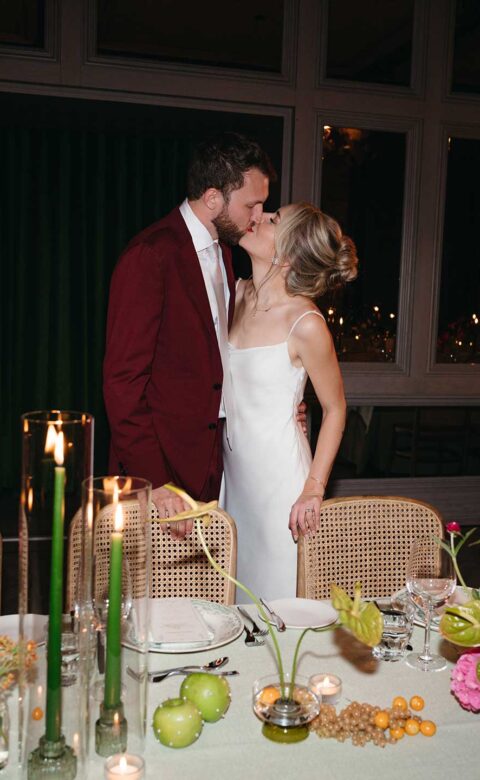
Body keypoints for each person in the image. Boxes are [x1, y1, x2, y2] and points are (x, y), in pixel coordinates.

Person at [103, 132, 275, 537]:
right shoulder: (151, 255)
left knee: (208, 597)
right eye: (252, 204)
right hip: (160, 469)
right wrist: (156, 481)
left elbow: (219, 358)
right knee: (152, 599)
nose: (259, 215)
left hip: (214, 464)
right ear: (213, 198)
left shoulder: (226, 253)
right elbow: (122, 383)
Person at [219, 201, 358, 599]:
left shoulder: (306, 324)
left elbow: (336, 409)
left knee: (280, 606)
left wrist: (314, 488)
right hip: (236, 480)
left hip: (281, 486)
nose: (257, 217)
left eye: (273, 220)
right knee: (236, 603)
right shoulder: (234, 293)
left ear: (290, 254)